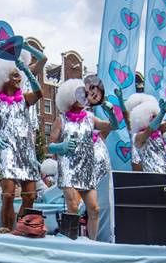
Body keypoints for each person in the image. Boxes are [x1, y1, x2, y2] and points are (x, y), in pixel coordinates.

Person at [0, 53, 44, 229]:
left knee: (30, 195)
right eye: (15, 75)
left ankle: (21, 228)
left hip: (26, 151)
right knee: (8, 194)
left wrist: (27, 71)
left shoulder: (25, 99)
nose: (19, 79)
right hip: (6, 150)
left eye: (19, 75)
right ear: (3, 77)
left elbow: (39, 93)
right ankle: (7, 231)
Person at [49, 78, 120, 239]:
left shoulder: (90, 118)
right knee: (73, 206)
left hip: (86, 169)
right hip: (68, 168)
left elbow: (113, 126)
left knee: (94, 209)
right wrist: (61, 146)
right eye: (81, 94)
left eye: (85, 94)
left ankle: (91, 244)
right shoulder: (61, 120)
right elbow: (50, 146)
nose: (85, 97)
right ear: (70, 97)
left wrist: (111, 113)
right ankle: (70, 241)